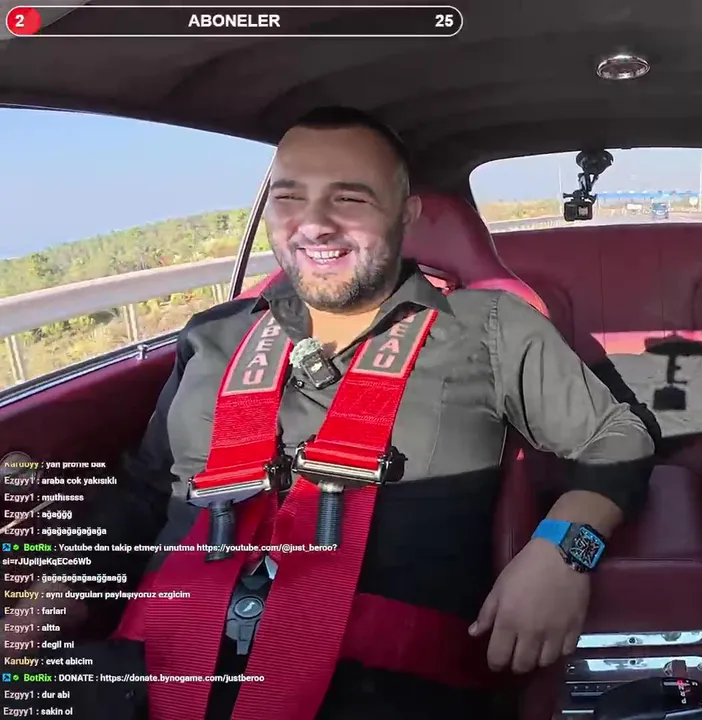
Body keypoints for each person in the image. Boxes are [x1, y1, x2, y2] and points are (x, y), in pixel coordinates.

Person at [12, 106, 655, 719]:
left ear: (406, 214)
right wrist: (52, 598)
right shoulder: (213, 337)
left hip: (371, 688)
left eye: (349, 199)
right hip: (139, 678)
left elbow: (618, 436)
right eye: (289, 197)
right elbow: (147, 489)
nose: (313, 224)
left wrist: (565, 550)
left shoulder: (489, 328)